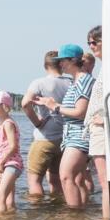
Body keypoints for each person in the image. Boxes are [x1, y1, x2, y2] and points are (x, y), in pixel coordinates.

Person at [37, 44, 94, 209]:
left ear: (74, 60)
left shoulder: (83, 81)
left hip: (79, 135)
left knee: (66, 177)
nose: (60, 64)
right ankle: (81, 214)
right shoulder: (76, 81)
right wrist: (50, 104)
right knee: (77, 179)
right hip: (73, 135)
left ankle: (73, 217)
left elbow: (81, 112)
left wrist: (54, 106)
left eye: (62, 60)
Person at [83, 27, 110, 220]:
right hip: (102, 128)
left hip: (104, 128)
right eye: (89, 43)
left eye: (94, 42)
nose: (91, 47)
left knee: (107, 182)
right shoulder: (109, 67)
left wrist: (107, 118)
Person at [21, 52, 72, 197]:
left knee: (34, 181)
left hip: (44, 138)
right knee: (56, 180)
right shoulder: (71, 82)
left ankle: (37, 213)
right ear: (61, 64)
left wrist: (37, 122)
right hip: (64, 140)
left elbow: (25, 104)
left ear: (45, 65)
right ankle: (56, 212)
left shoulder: (39, 83)